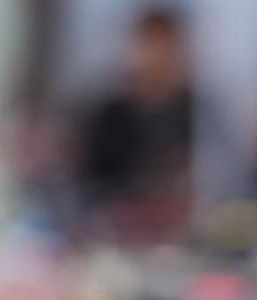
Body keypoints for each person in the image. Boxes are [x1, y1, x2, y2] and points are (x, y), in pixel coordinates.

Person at [76, 6, 194, 242]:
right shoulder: (108, 115)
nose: (157, 56)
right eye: (150, 44)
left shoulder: (195, 113)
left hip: (177, 235)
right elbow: (87, 184)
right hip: (114, 235)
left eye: (165, 45)